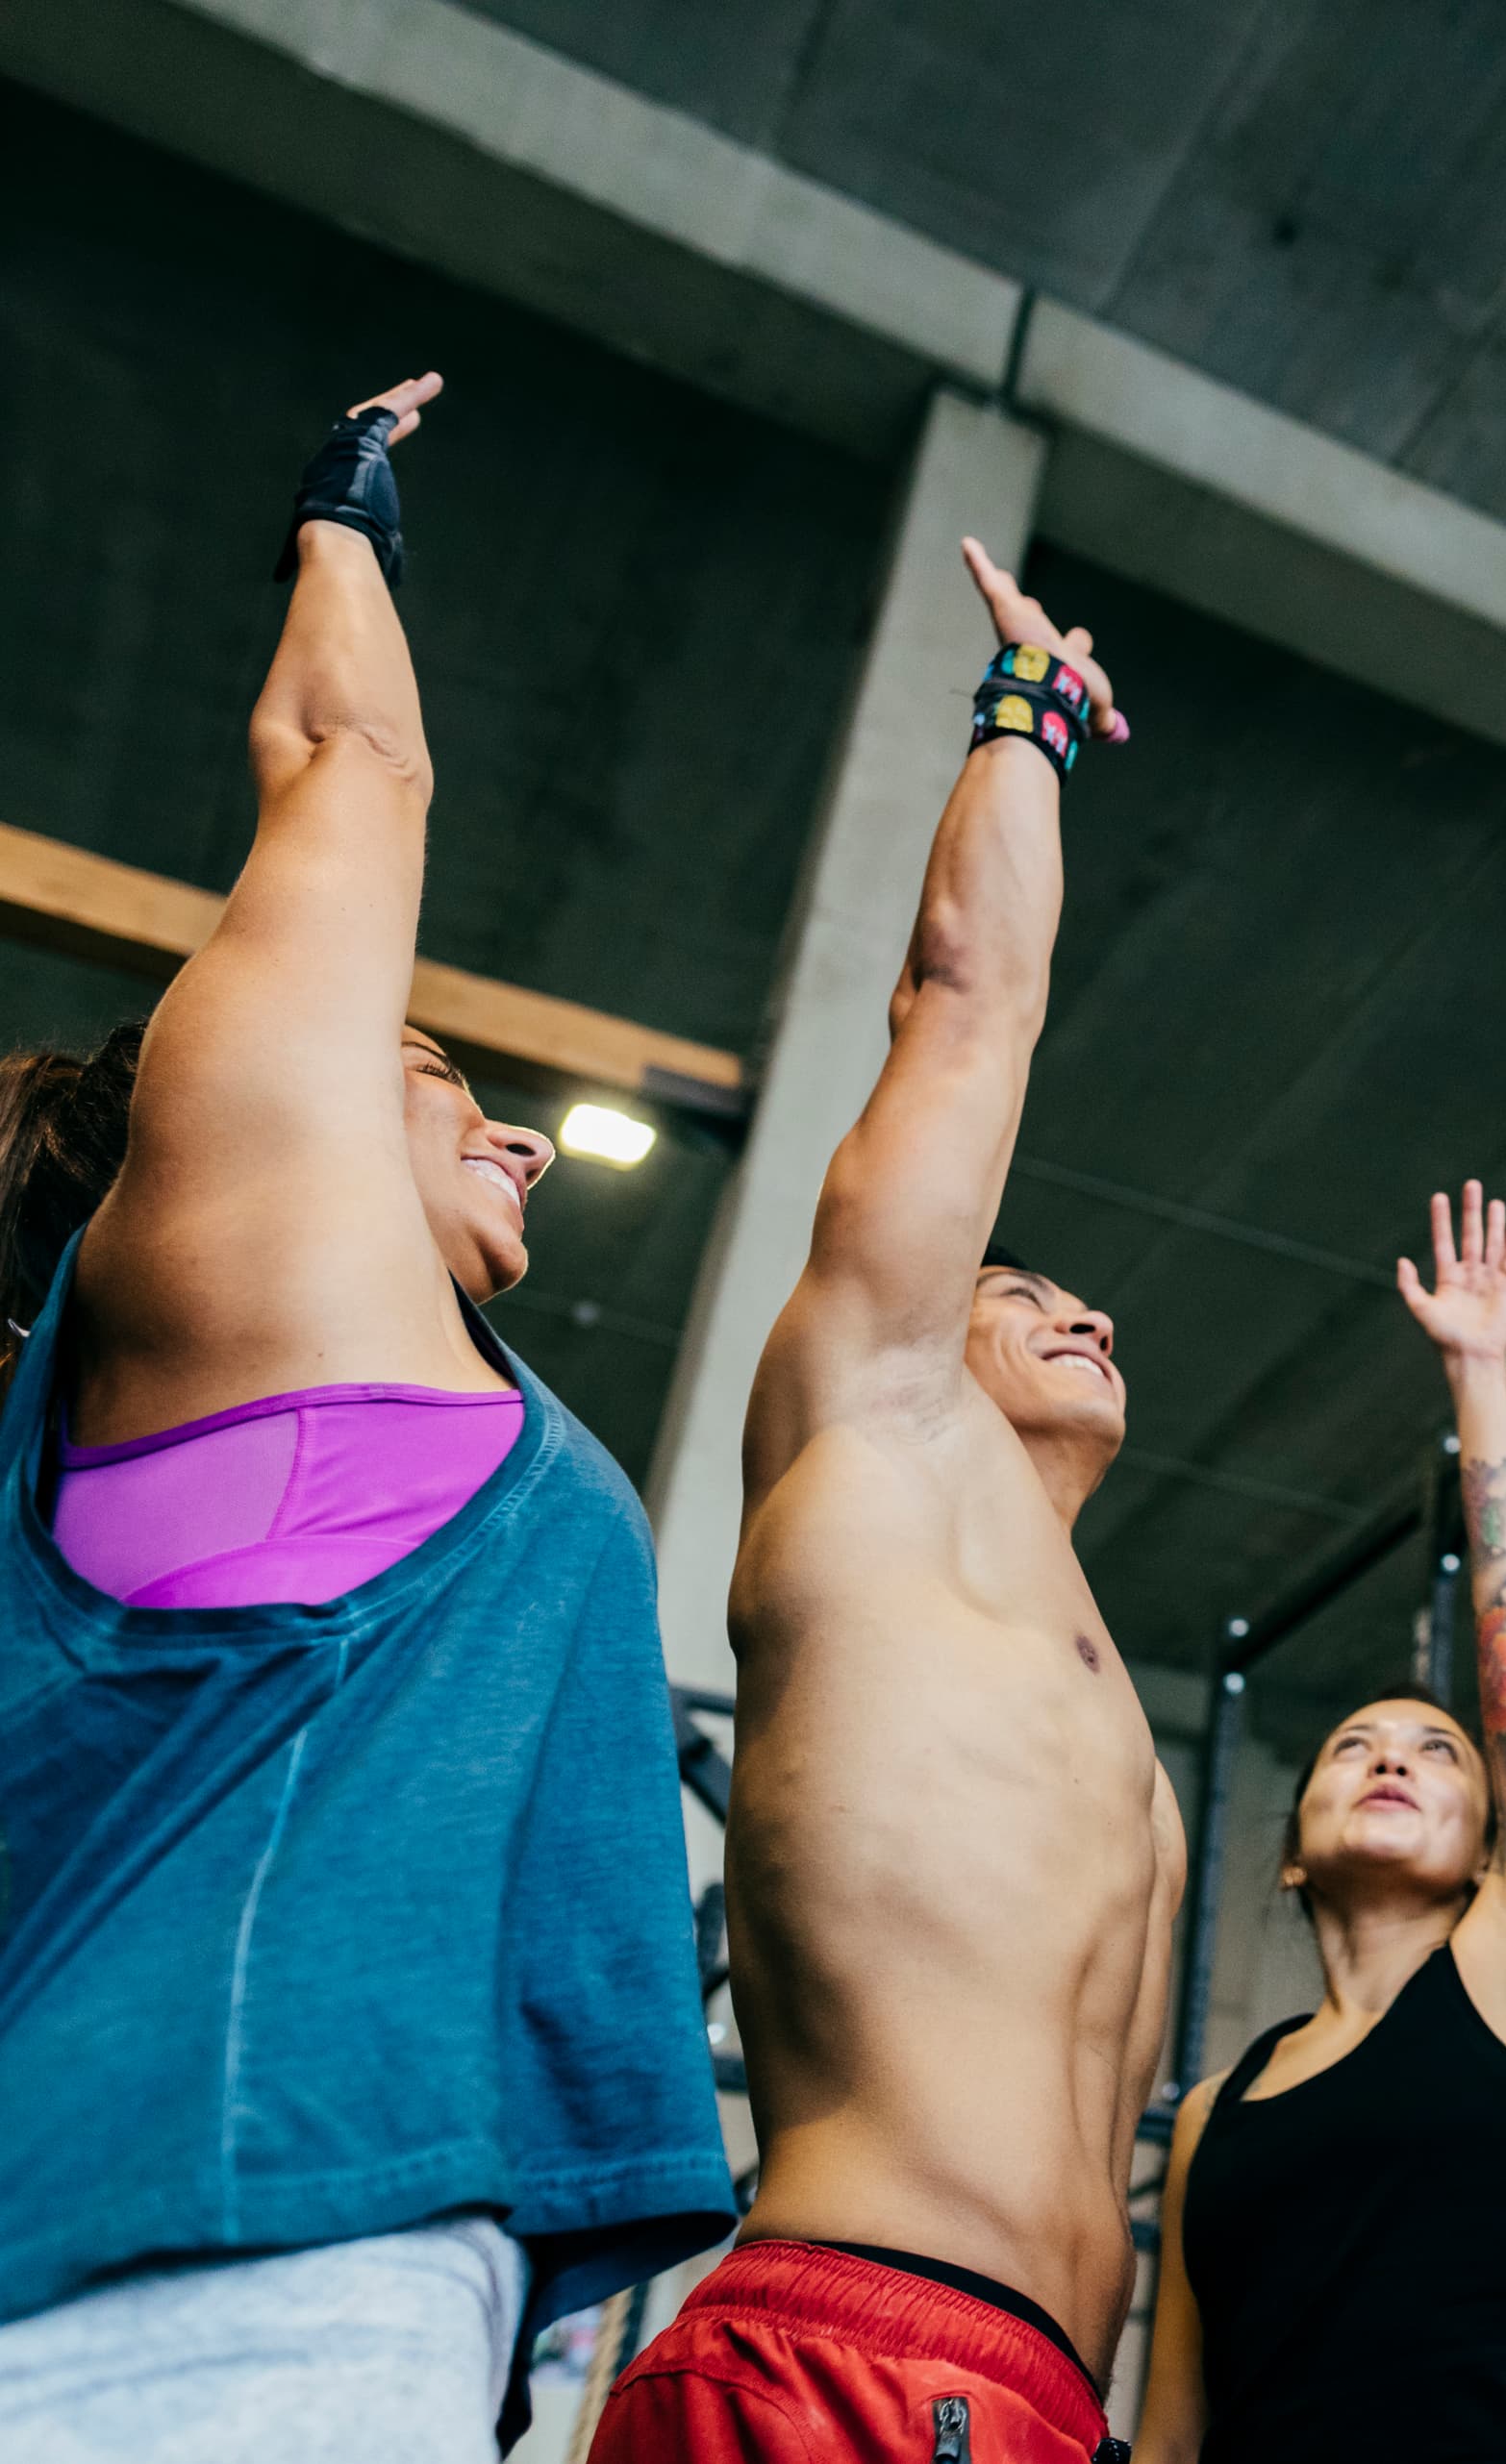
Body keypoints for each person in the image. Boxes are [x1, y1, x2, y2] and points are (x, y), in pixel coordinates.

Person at [0, 376, 731, 2462]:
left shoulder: (357, 1391)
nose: (514, 1126)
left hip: (290, 2265)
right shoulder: (248, 1276)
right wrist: (345, 501)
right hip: (198, 2278)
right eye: (427, 1065)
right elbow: (350, 757)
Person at [590, 542, 1167, 2464]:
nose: (1075, 1304)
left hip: (1035, 2395)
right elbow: (965, 1007)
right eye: (1019, 1290)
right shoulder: (876, 1425)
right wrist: (1029, 727)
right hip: (853, 2350)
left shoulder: (1102, 1705)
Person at [1131, 1182, 1506, 2464]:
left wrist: (1479, 1374)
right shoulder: (1211, 2113)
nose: (1390, 1754)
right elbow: (1174, 2430)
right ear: (1294, 1843)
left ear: (1491, 1842)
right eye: (1354, 1747)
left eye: (1435, 1752)